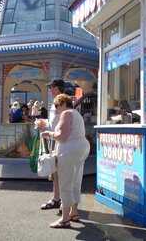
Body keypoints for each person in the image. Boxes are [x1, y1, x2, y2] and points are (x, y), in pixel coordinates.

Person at [42, 94, 90, 228]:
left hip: (69, 150)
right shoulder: (76, 113)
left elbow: (62, 137)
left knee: (66, 183)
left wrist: (49, 134)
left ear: (63, 103)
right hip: (81, 148)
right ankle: (74, 213)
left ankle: (64, 219)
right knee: (76, 180)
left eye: (57, 106)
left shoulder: (66, 113)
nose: (56, 109)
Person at [36, 80, 66, 211]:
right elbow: (54, 122)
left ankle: (64, 202)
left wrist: (46, 126)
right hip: (55, 139)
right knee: (55, 172)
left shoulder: (63, 102)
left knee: (62, 172)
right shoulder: (56, 103)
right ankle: (57, 198)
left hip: (61, 141)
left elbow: (61, 124)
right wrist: (45, 123)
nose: (50, 89)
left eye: (51, 87)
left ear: (57, 88)